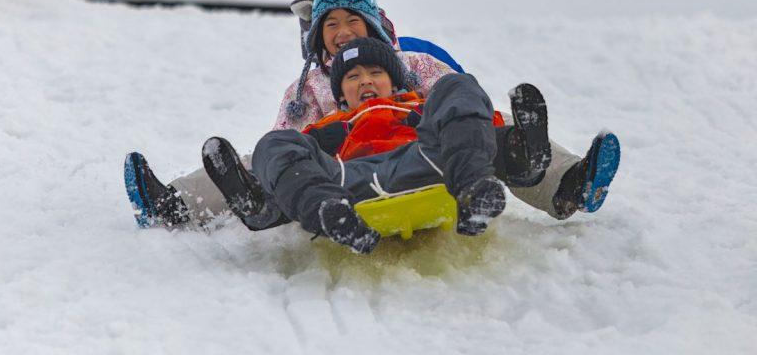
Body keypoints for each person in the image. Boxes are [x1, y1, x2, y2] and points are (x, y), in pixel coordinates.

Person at [124, 0, 620, 231]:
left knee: (500, 132)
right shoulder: (311, 89)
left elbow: (465, 112)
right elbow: (288, 143)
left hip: (429, 153)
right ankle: (178, 206)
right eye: (329, 25)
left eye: (352, 21)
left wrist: (493, 142)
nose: (341, 32)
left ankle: (566, 183)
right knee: (263, 156)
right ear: (315, 36)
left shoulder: (416, 63)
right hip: (348, 166)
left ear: (374, 25)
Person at [203, 37, 552, 253]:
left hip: (429, 165)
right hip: (348, 185)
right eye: (353, 77)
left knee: (458, 87)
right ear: (341, 95)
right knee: (275, 144)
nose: (365, 80)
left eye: (375, 72)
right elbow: (291, 160)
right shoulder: (330, 126)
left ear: (393, 81)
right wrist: (301, 154)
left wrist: (500, 144)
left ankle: (501, 172)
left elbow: (475, 126)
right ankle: (289, 209)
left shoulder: (421, 108)